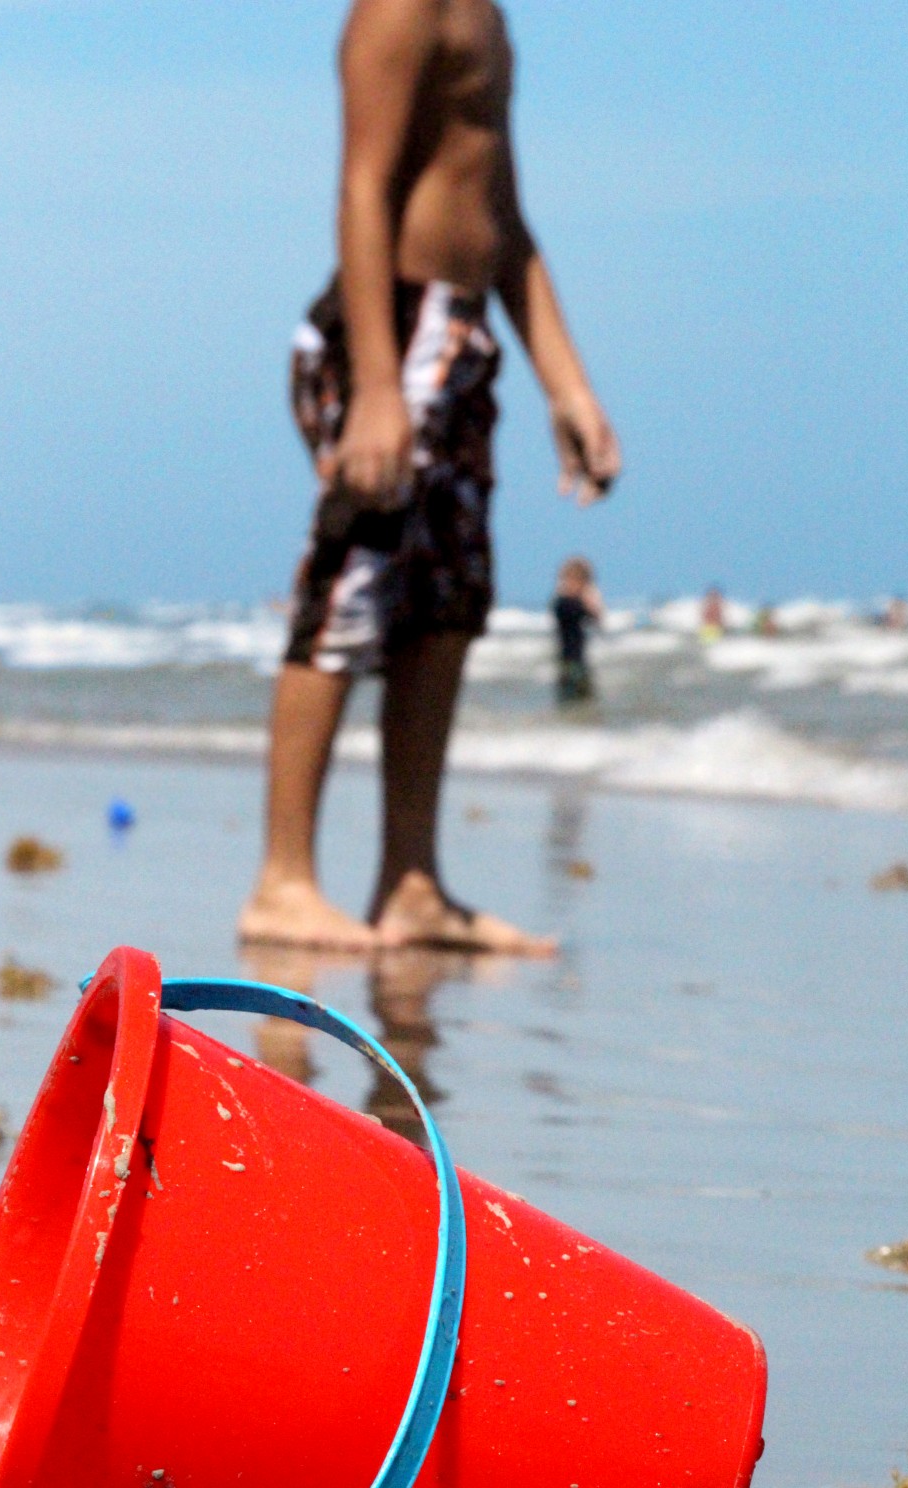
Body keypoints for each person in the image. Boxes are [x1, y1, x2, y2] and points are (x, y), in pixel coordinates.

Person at [238, 0, 621, 954]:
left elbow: (505, 219)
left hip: (462, 333)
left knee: (448, 603)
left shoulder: (486, 17)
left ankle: (411, 880)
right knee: (350, 584)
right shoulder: (401, 8)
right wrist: (374, 382)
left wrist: (567, 386)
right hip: (391, 331)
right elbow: (361, 189)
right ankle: (283, 880)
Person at [551, 556, 603, 701]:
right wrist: (587, 598)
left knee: (580, 702)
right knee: (574, 700)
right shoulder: (565, 603)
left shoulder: (565, 602)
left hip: (576, 661)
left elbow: (597, 621)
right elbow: (595, 615)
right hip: (571, 663)